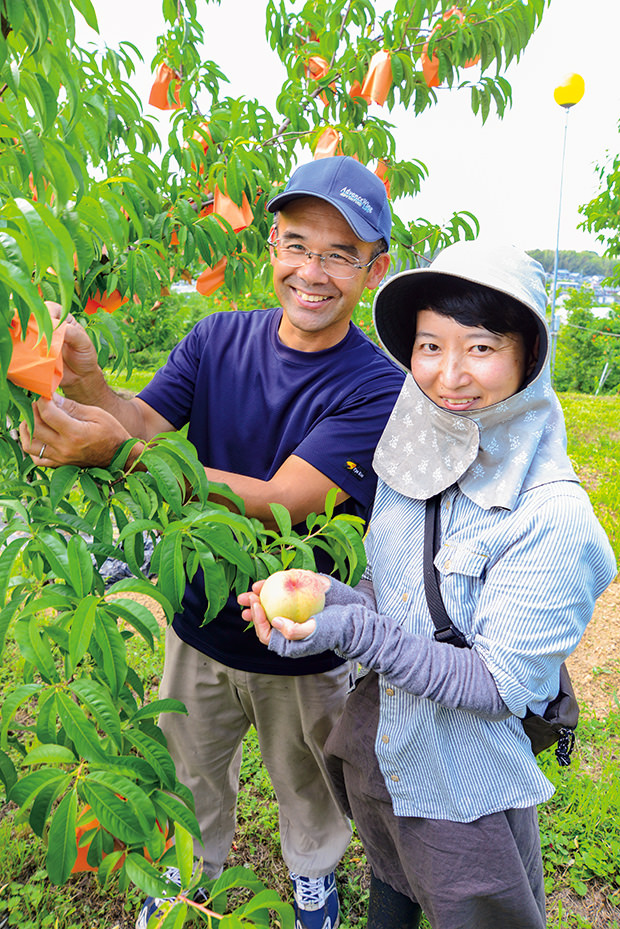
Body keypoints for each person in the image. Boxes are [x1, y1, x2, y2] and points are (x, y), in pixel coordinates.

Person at [18, 156, 405, 929]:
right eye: (298, 243)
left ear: (375, 268)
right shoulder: (215, 338)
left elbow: (281, 505)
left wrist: (120, 457)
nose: (312, 271)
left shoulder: (377, 385)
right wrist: (91, 380)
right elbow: (145, 426)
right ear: (270, 246)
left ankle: (313, 880)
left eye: (339, 254)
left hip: (304, 640)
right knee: (190, 771)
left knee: (308, 786)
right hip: (198, 621)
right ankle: (184, 874)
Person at [242, 241, 618, 929]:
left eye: (480, 347)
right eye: (430, 345)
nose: (449, 375)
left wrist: (355, 630)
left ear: (528, 355)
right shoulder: (417, 451)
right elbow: (399, 603)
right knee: (393, 884)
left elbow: (496, 686)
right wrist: (332, 601)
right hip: (385, 752)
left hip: (460, 787)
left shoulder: (550, 514)